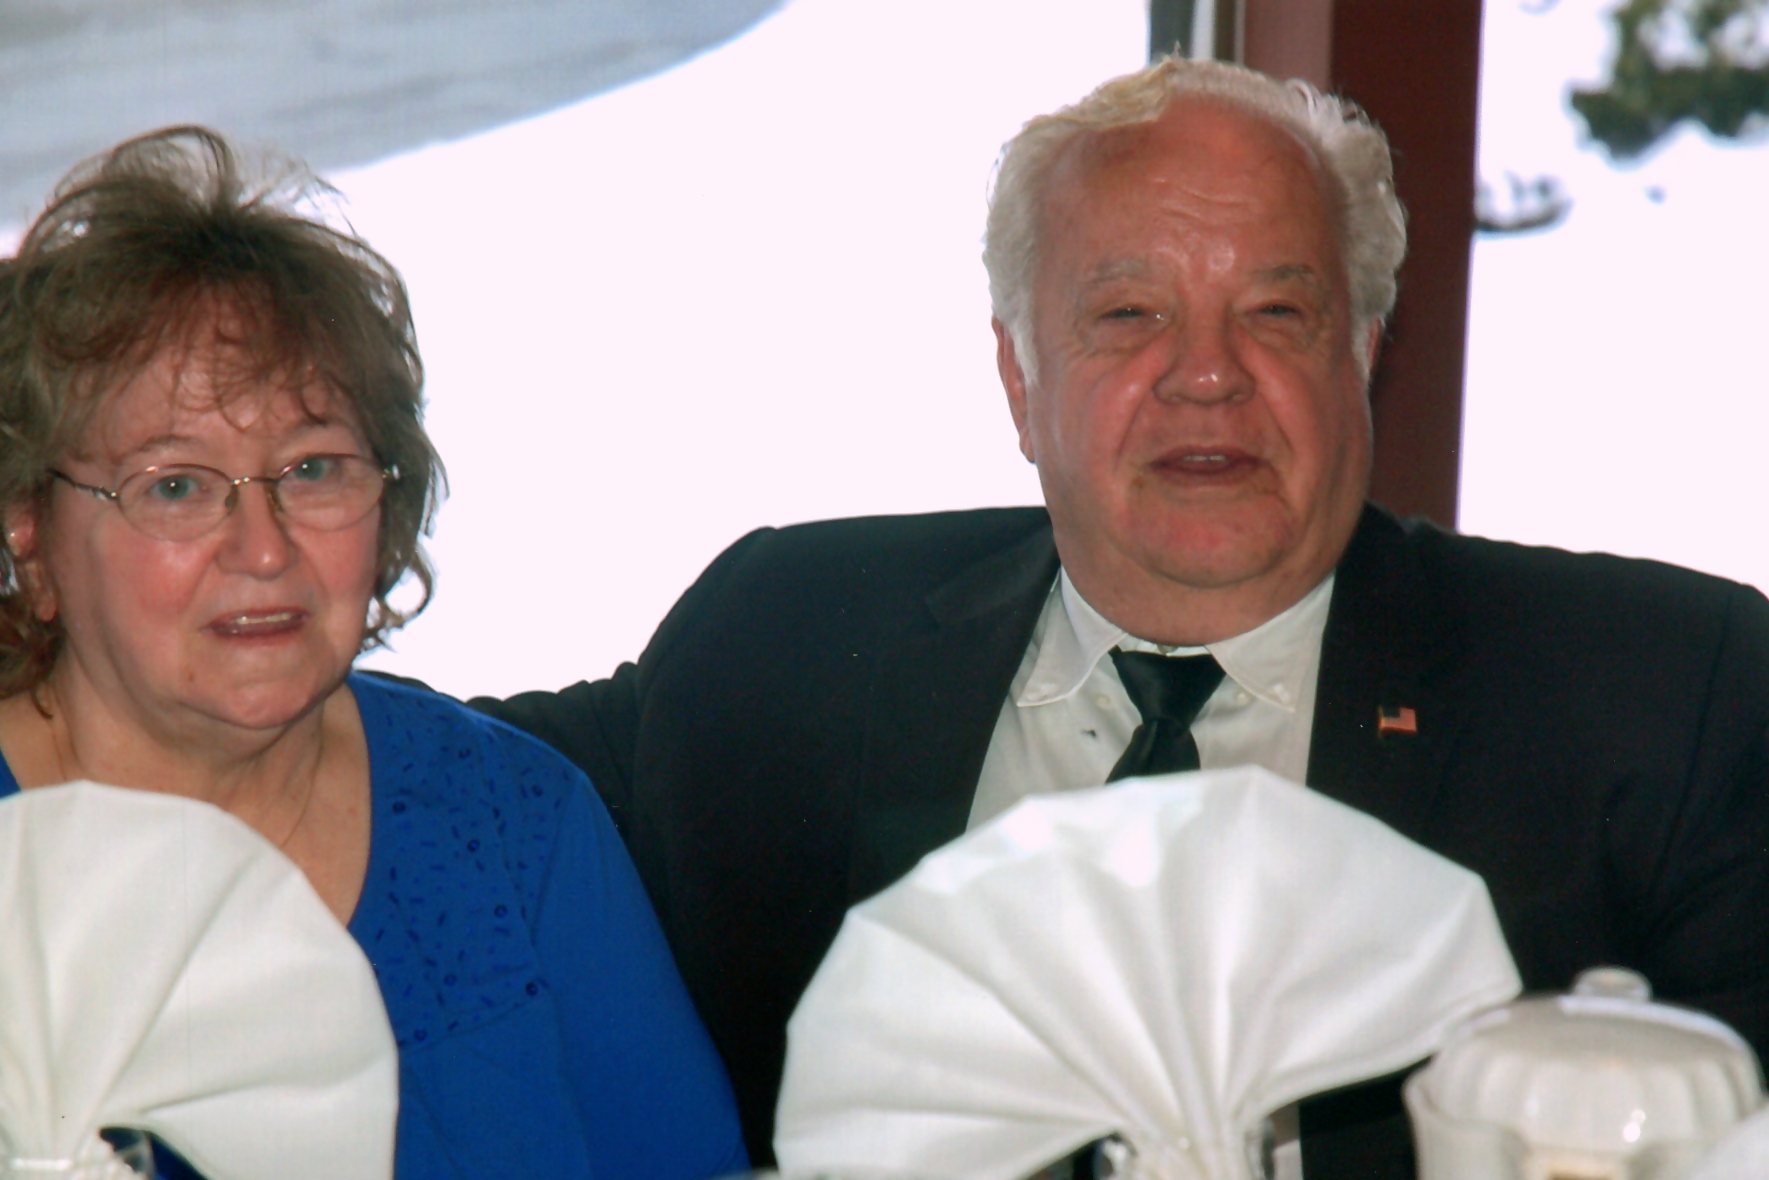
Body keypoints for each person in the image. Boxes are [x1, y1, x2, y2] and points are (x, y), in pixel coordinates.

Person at [479, 57, 1769, 1176]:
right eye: (1127, 314)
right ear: (1018, 377)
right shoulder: (788, 638)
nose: (1206, 375)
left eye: (1276, 312)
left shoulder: (1663, 696)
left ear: (1362, 352)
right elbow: (441, 781)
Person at [0, 126, 747, 1179]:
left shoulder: (515, 823)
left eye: (312, 469)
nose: (263, 549)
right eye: (175, 485)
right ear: (32, 532)